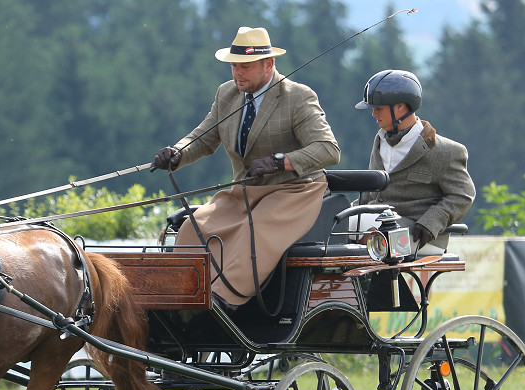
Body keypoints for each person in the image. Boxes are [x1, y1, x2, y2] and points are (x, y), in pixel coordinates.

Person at [151, 26, 340, 308]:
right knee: (193, 227)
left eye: (246, 67)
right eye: (234, 66)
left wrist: (281, 161)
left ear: (269, 64)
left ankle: (223, 302)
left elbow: (329, 149)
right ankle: (182, 295)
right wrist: (177, 153)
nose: (238, 73)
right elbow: (202, 138)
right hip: (245, 193)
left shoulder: (297, 97)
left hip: (294, 193)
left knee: (253, 233)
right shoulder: (226, 94)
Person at [353, 69, 475, 255]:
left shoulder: (447, 151)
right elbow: (371, 196)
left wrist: (431, 222)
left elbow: (462, 195)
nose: (374, 114)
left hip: (420, 236)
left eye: (379, 108)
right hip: (380, 228)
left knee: (365, 229)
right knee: (334, 225)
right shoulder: (379, 141)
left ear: (400, 107)